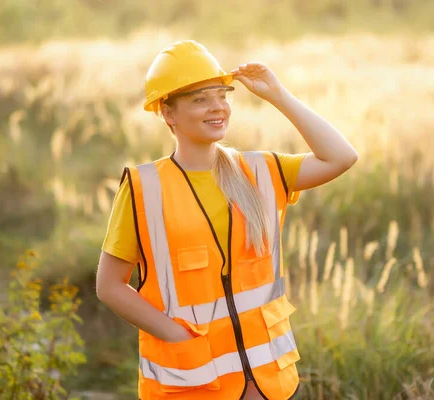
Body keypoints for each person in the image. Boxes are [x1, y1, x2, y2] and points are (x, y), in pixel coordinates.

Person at [96, 40, 358, 400]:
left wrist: (279, 95)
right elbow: (109, 285)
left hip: (267, 382)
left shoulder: (261, 170)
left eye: (222, 95)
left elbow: (341, 157)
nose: (217, 107)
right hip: (192, 381)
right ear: (168, 113)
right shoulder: (143, 188)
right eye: (199, 99)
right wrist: (175, 334)